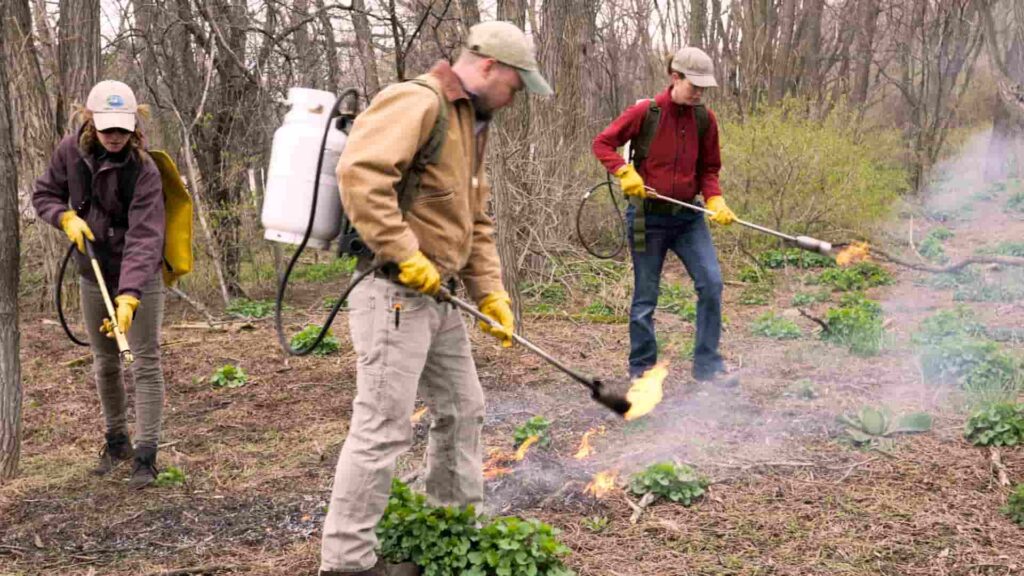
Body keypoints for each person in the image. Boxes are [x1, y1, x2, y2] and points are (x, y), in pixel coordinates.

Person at [318, 21, 552, 576]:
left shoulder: (473, 122)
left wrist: (491, 293)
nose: (516, 99)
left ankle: (450, 524)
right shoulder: (417, 100)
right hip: (392, 294)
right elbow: (361, 174)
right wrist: (405, 252)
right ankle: (346, 563)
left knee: (462, 406)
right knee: (382, 428)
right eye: (516, 86)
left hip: (439, 297)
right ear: (489, 66)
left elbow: (474, 219)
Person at [33, 80, 167, 488]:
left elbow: (146, 237)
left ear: (134, 127)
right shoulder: (69, 152)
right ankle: (116, 442)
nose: (114, 136)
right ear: (91, 122)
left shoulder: (144, 170)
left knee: (143, 360)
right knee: (105, 361)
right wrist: (64, 218)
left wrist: (129, 297)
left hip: (139, 275)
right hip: (92, 272)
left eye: (122, 129)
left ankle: (146, 455)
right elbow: (43, 194)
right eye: (107, 128)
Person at [592, 47, 739, 386]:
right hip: (649, 220)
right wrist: (624, 172)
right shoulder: (647, 112)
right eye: (694, 84)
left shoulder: (705, 119)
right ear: (675, 77)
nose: (699, 92)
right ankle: (642, 371)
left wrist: (715, 198)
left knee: (712, 285)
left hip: (689, 220)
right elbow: (602, 143)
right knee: (646, 298)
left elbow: (709, 169)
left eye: (704, 86)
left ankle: (708, 367)